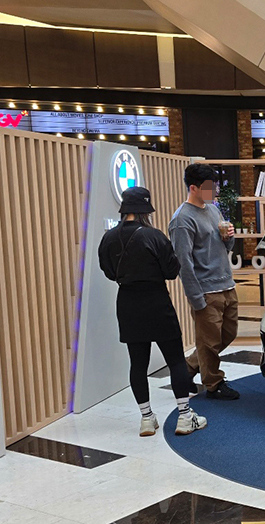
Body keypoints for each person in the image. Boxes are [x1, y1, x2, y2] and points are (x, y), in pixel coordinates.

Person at [98, 187, 206, 436]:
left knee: (137, 364)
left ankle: (147, 418)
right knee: (175, 360)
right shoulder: (154, 236)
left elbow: (108, 271)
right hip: (157, 302)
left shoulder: (108, 238)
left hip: (127, 303)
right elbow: (171, 271)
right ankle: (185, 416)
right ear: (145, 210)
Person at [169, 163, 240, 400]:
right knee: (208, 342)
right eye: (209, 187)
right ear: (193, 188)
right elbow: (183, 263)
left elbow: (224, 246)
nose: (214, 191)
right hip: (206, 290)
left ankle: (188, 368)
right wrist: (196, 298)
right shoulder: (182, 220)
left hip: (226, 284)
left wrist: (229, 238)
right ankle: (213, 383)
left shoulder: (213, 210)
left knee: (227, 334)